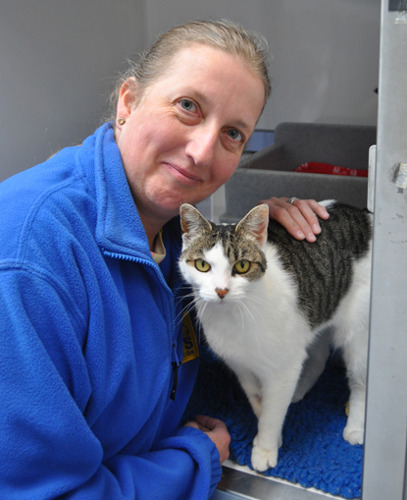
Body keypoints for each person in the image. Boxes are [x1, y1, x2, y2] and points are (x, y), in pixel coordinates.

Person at [0, 19, 328, 499]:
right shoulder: (29, 261)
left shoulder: (166, 222)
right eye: (188, 107)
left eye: (234, 134)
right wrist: (192, 461)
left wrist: (257, 239)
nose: (201, 153)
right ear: (128, 101)